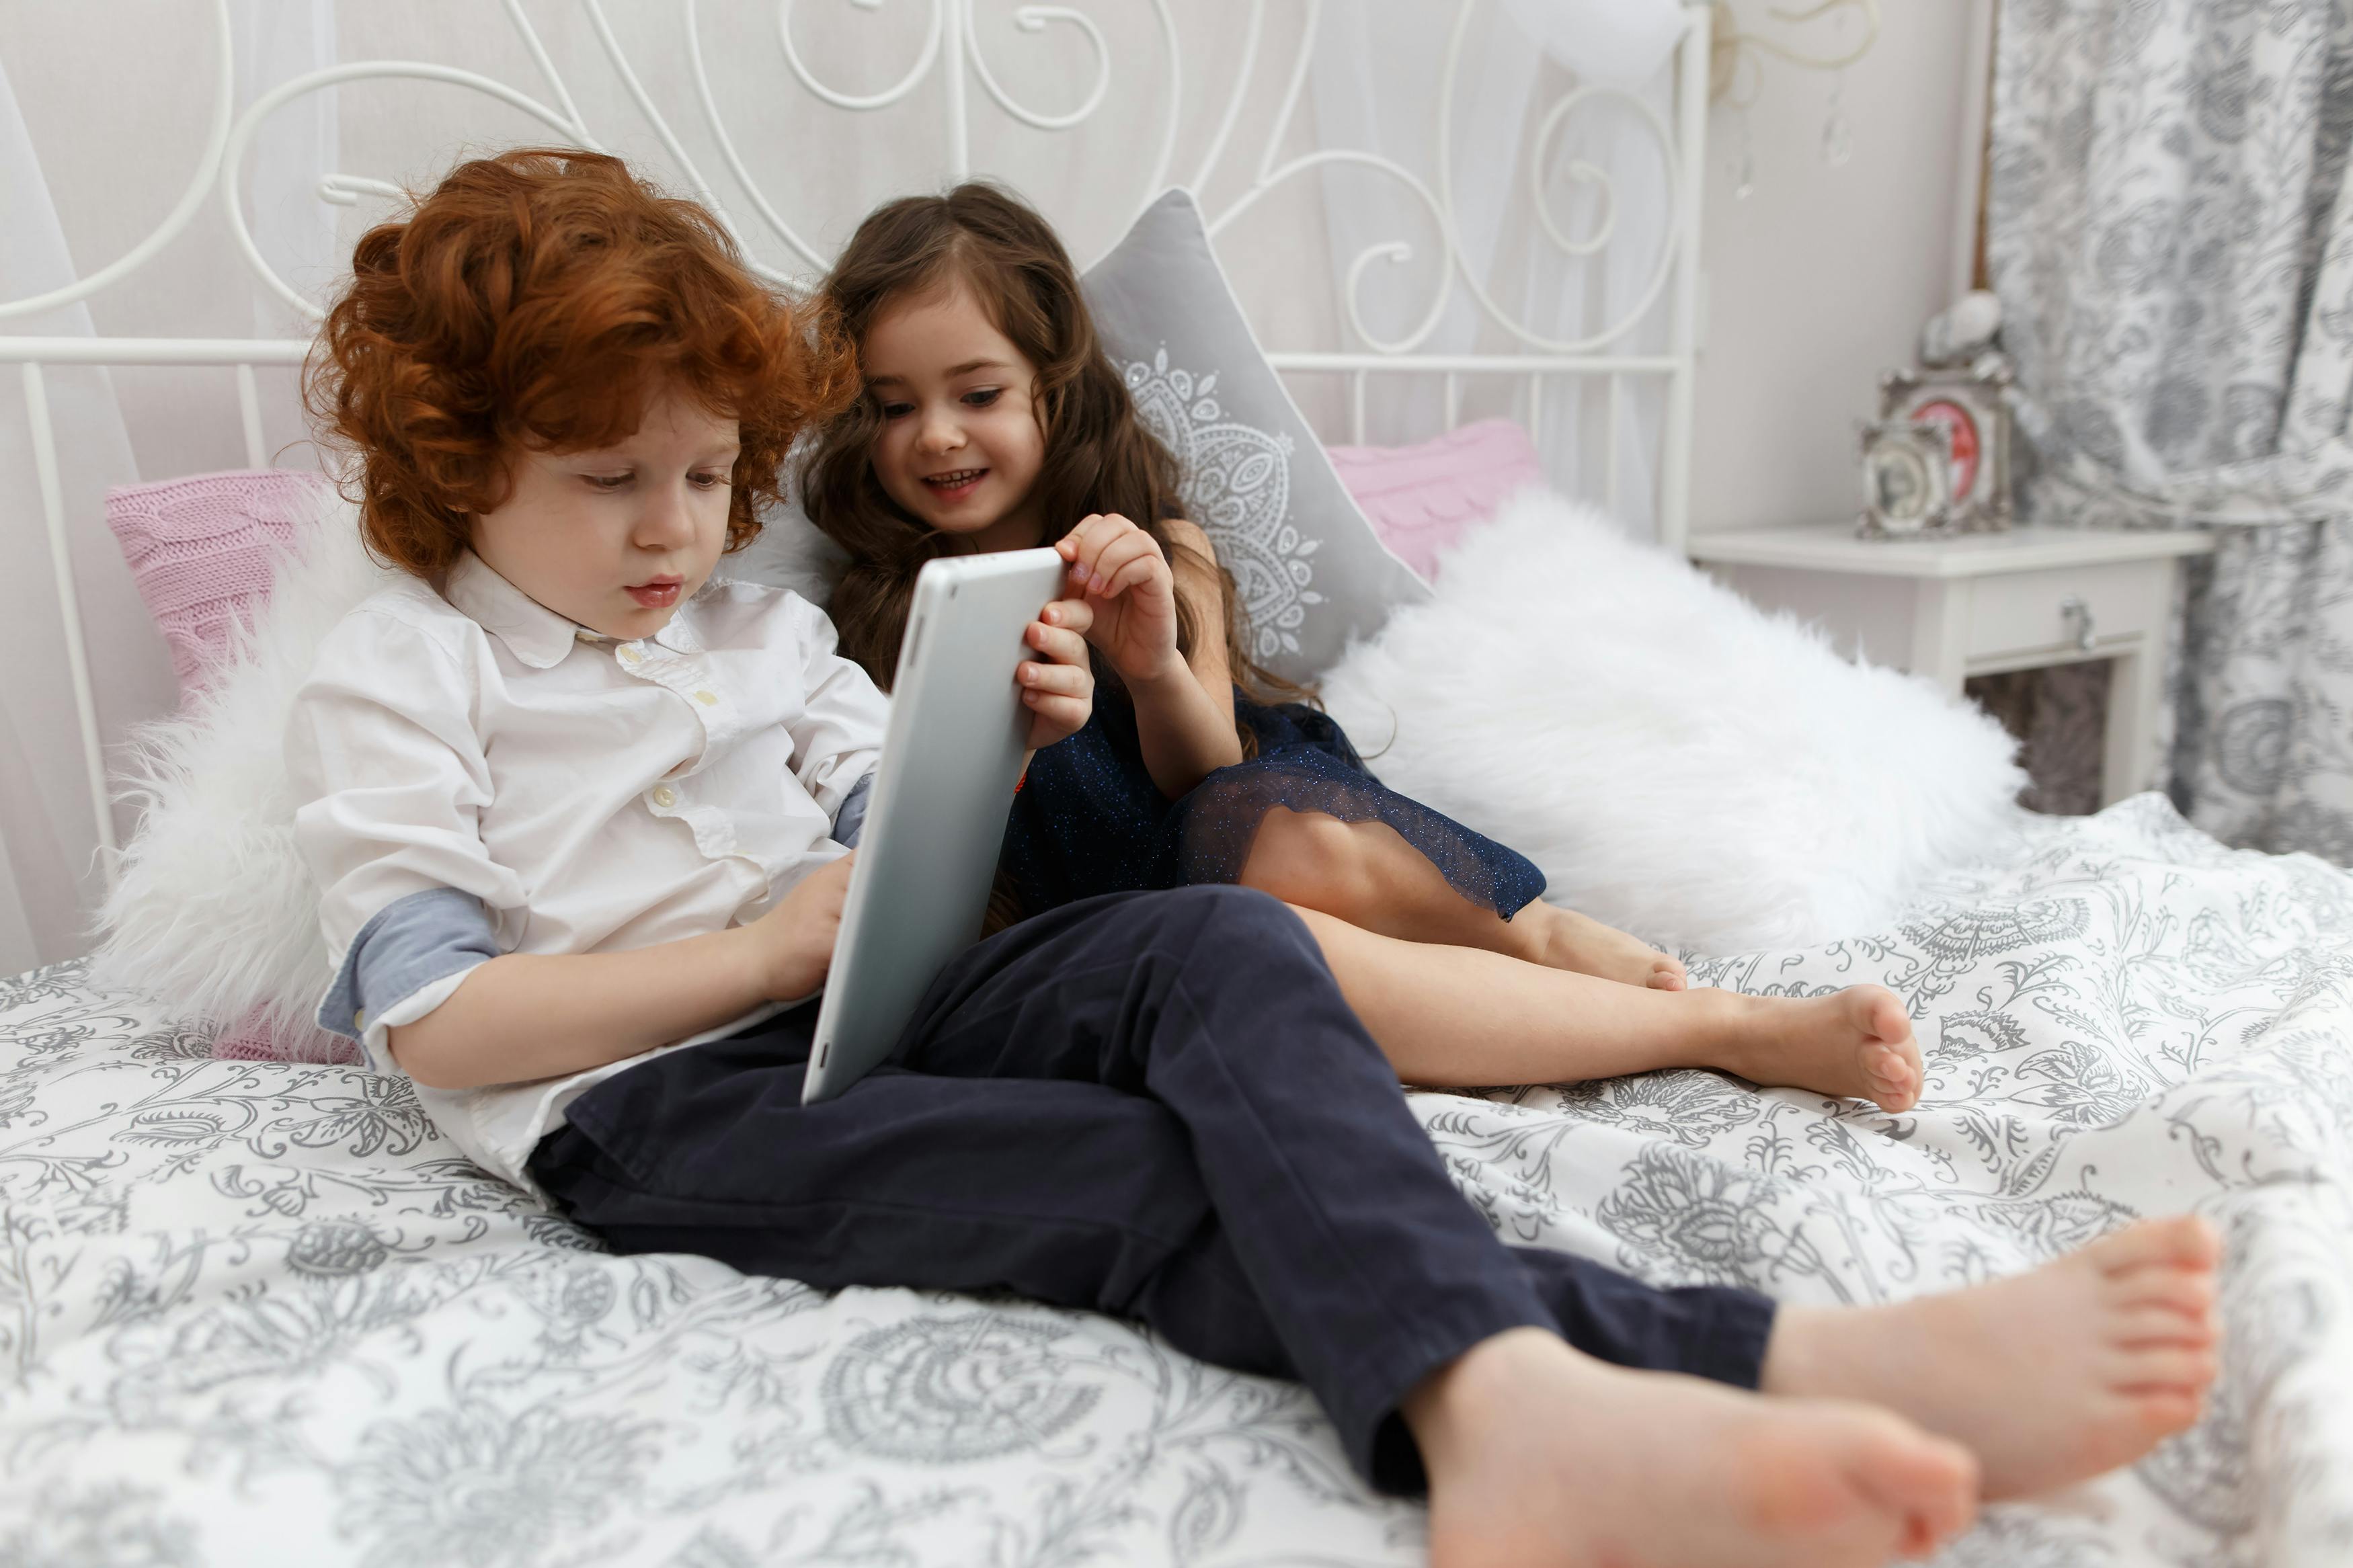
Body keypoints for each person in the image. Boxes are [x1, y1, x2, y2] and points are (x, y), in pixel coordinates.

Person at [289, 149, 2221, 1568]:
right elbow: (444, 1024)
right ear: (464, 465)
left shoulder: (765, 636)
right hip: (644, 1093)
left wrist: (1005, 750)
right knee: (1158, 1168)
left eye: (705, 475)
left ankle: (1585, 1396)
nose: (673, 527)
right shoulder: (403, 675)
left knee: (1219, 936)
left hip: (868, 994)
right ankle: (1685, 1377)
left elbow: (909, 875)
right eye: (610, 480)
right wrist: (760, 954)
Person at [800, 183, 1936, 1114]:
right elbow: (919, 848)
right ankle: (1715, 1032)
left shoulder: (1154, 542)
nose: (937, 434)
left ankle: (1532, 931)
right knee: (1270, 946)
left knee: (1277, 850)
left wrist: (1145, 662)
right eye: (894, 406)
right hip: (1115, 911)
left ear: (1053, 384)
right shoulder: (878, 609)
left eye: (978, 392)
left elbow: (1206, 770)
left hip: (1239, 807)